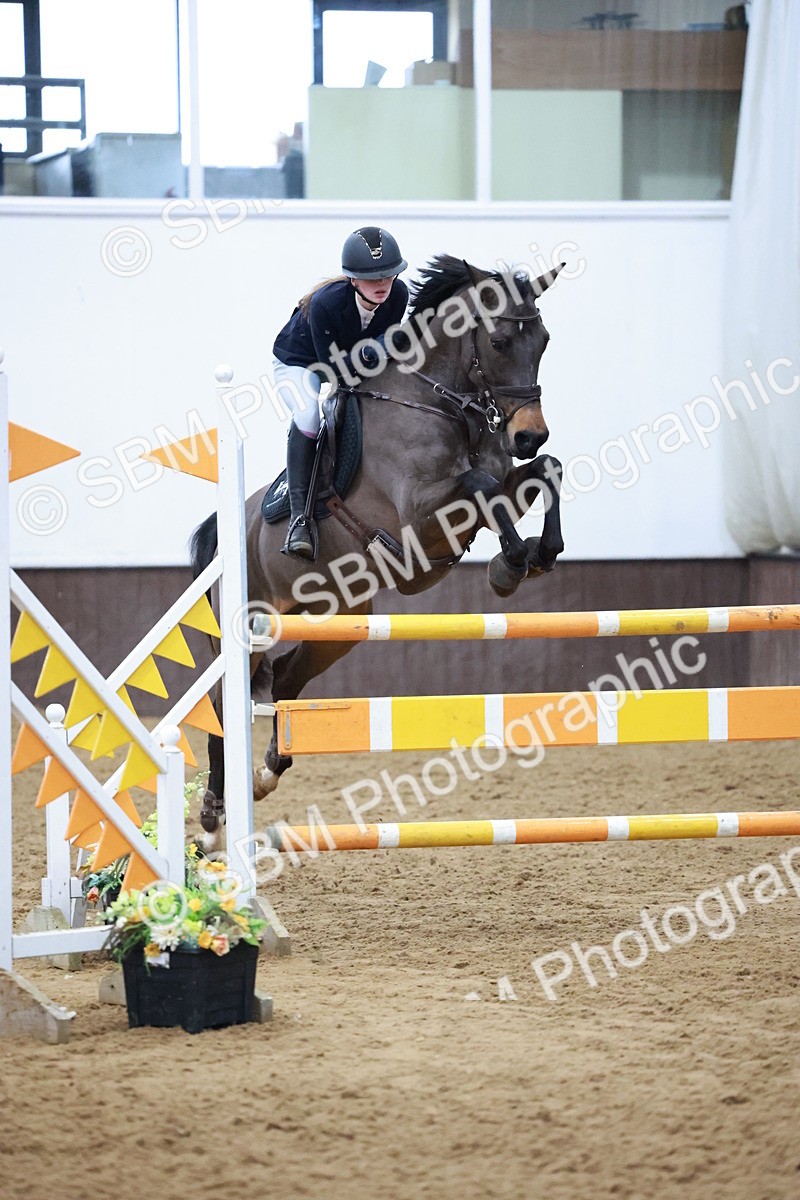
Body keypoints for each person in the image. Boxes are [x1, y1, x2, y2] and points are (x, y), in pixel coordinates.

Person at [272, 226, 408, 559]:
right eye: (372, 277)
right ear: (353, 280)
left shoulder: (399, 295)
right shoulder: (325, 304)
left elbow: (376, 362)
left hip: (349, 366)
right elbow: (333, 372)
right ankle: (300, 521)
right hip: (301, 365)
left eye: (388, 275)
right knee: (309, 416)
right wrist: (376, 349)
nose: (382, 284)